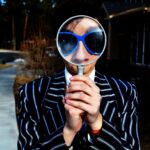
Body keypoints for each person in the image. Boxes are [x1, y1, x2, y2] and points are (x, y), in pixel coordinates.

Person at [16, 15, 140, 150]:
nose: (80, 56)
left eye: (92, 40)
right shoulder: (32, 92)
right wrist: (68, 131)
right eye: (69, 40)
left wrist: (98, 124)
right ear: (58, 44)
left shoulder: (125, 91)